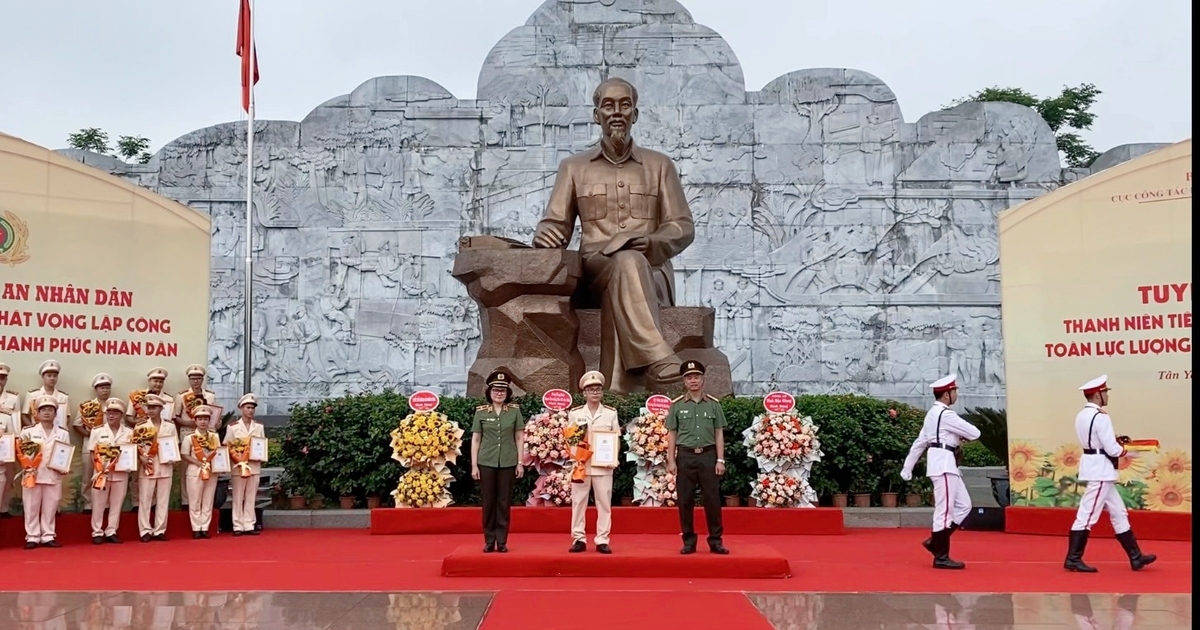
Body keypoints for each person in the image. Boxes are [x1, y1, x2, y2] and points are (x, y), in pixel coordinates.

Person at [532, 77, 696, 392]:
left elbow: (682, 226)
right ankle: (659, 357)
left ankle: (615, 395)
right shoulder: (574, 168)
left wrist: (652, 243)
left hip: (652, 271)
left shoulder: (660, 166)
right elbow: (556, 223)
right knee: (623, 263)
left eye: (625, 105)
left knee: (630, 262)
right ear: (597, 115)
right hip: (593, 270)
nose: (617, 112)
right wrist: (546, 234)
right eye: (608, 105)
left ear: (635, 113)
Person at [1064, 375, 1157, 573]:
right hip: (1101, 470)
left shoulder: (1082, 415)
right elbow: (1113, 450)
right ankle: (1073, 559)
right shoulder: (1101, 417)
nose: (1107, 395)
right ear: (1098, 395)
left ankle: (1136, 557)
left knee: (1118, 512)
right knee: (1087, 514)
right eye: (1105, 392)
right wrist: (1133, 451)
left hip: (1095, 466)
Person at [900, 374, 980, 570]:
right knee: (944, 511)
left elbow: (919, 443)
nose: (956, 394)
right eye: (954, 391)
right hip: (943, 464)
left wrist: (907, 466)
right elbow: (975, 433)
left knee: (964, 506)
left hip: (944, 463)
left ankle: (935, 542)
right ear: (946, 395)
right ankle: (941, 556)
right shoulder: (946, 415)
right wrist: (959, 435)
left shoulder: (931, 415)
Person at [665, 360, 729, 555]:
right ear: (684, 381)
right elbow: (672, 434)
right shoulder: (676, 406)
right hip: (685, 456)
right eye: (689, 377)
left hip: (708, 456)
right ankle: (688, 541)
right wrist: (671, 459)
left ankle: (715, 540)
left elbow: (719, 433)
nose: (693, 381)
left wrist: (720, 459)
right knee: (685, 501)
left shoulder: (713, 404)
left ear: (702, 379)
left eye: (697, 377)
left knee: (712, 500)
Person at [470, 370, 525, 553]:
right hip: (486, 461)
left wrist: (520, 462)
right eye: (495, 390)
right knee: (488, 502)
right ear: (490, 392)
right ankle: (488, 539)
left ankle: (501, 540)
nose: (499, 393)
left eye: (502, 390)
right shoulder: (481, 412)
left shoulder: (514, 412)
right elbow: (476, 439)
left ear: (508, 392)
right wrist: (474, 465)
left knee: (504, 501)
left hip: (508, 461)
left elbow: (519, 437)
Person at [567, 370, 621, 554]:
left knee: (604, 503)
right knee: (578, 502)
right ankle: (578, 538)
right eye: (590, 390)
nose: (594, 392)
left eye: (597, 389)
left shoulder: (610, 414)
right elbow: (571, 440)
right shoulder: (575, 414)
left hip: (603, 466)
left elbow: (616, 439)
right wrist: (576, 459)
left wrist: (613, 458)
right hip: (581, 466)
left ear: (602, 392)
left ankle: (602, 539)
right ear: (584, 393)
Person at [18, 395, 71, 549]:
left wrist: (63, 466)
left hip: (53, 474)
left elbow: (65, 453)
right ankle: (32, 536)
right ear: (37, 413)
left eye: (50, 409)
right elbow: (21, 452)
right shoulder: (28, 431)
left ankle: (48, 535)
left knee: (51, 506)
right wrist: (27, 466)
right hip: (33, 474)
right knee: (31, 507)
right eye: (43, 410)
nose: (47, 413)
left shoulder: (63, 433)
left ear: (55, 413)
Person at [86, 397, 134, 544]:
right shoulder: (97, 431)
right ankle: (97, 531)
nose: (111, 415)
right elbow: (92, 452)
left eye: (115, 413)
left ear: (121, 415)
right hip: (101, 473)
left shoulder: (129, 432)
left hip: (121, 473)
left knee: (116, 503)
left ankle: (111, 530)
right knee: (98, 503)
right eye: (109, 413)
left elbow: (132, 452)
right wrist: (99, 468)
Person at [173, 364, 219, 509]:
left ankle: (204, 501)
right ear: (189, 380)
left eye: (198, 378)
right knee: (187, 469)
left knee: (207, 464)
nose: (195, 381)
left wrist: (217, 424)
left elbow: (216, 414)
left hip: (208, 435)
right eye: (193, 379)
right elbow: (175, 417)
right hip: (188, 434)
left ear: (202, 379)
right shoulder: (181, 396)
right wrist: (189, 423)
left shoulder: (210, 396)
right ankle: (187, 501)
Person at [136, 394, 178, 542]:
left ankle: (160, 530)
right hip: (148, 466)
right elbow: (135, 447)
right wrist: (140, 457)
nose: (151, 410)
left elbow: (175, 445)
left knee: (163, 500)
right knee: (145, 499)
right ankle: (145, 530)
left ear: (161, 408)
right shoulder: (141, 426)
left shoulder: (170, 426)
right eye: (149, 407)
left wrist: (173, 456)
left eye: (154, 407)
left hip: (165, 466)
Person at [225, 393, 266, 536]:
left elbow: (261, 444)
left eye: (252, 408)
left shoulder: (259, 427)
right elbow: (227, 446)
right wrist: (237, 459)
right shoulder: (233, 427)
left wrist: (261, 455)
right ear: (241, 408)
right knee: (237, 496)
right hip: (238, 466)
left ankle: (249, 524)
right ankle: (237, 525)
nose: (250, 410)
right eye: (248, 407)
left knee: (251, 496)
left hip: (254, 465)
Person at [182, 406, 219, 539]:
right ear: (195, 421)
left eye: (205, 419)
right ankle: (196, 527)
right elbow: (184, 454)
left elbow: (219, 453)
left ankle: (205, 527)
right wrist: (197, 462)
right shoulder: (189, 437)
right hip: (194, 471)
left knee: (208, 500)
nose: (203, 422)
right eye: (200, 419)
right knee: (195, 500)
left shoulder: (214, 437)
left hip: (211, 471)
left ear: (209, 421)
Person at [22, 360, 69, 429]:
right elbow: (24, 415)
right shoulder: (32, 395)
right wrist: (33, 429)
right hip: (36, 434)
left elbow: (67, 417)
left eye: (55, 376)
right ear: (42, 377)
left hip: (57, 433)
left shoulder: (63, 397)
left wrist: (58, 429)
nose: (52, 378)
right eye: (49, 376)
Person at [0, 362, 19, 516]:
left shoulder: (13, 398)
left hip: (8, 445)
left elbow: (16, 422)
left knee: (8, 477)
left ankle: (4, 507)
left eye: (2, 378)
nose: (0, 380)